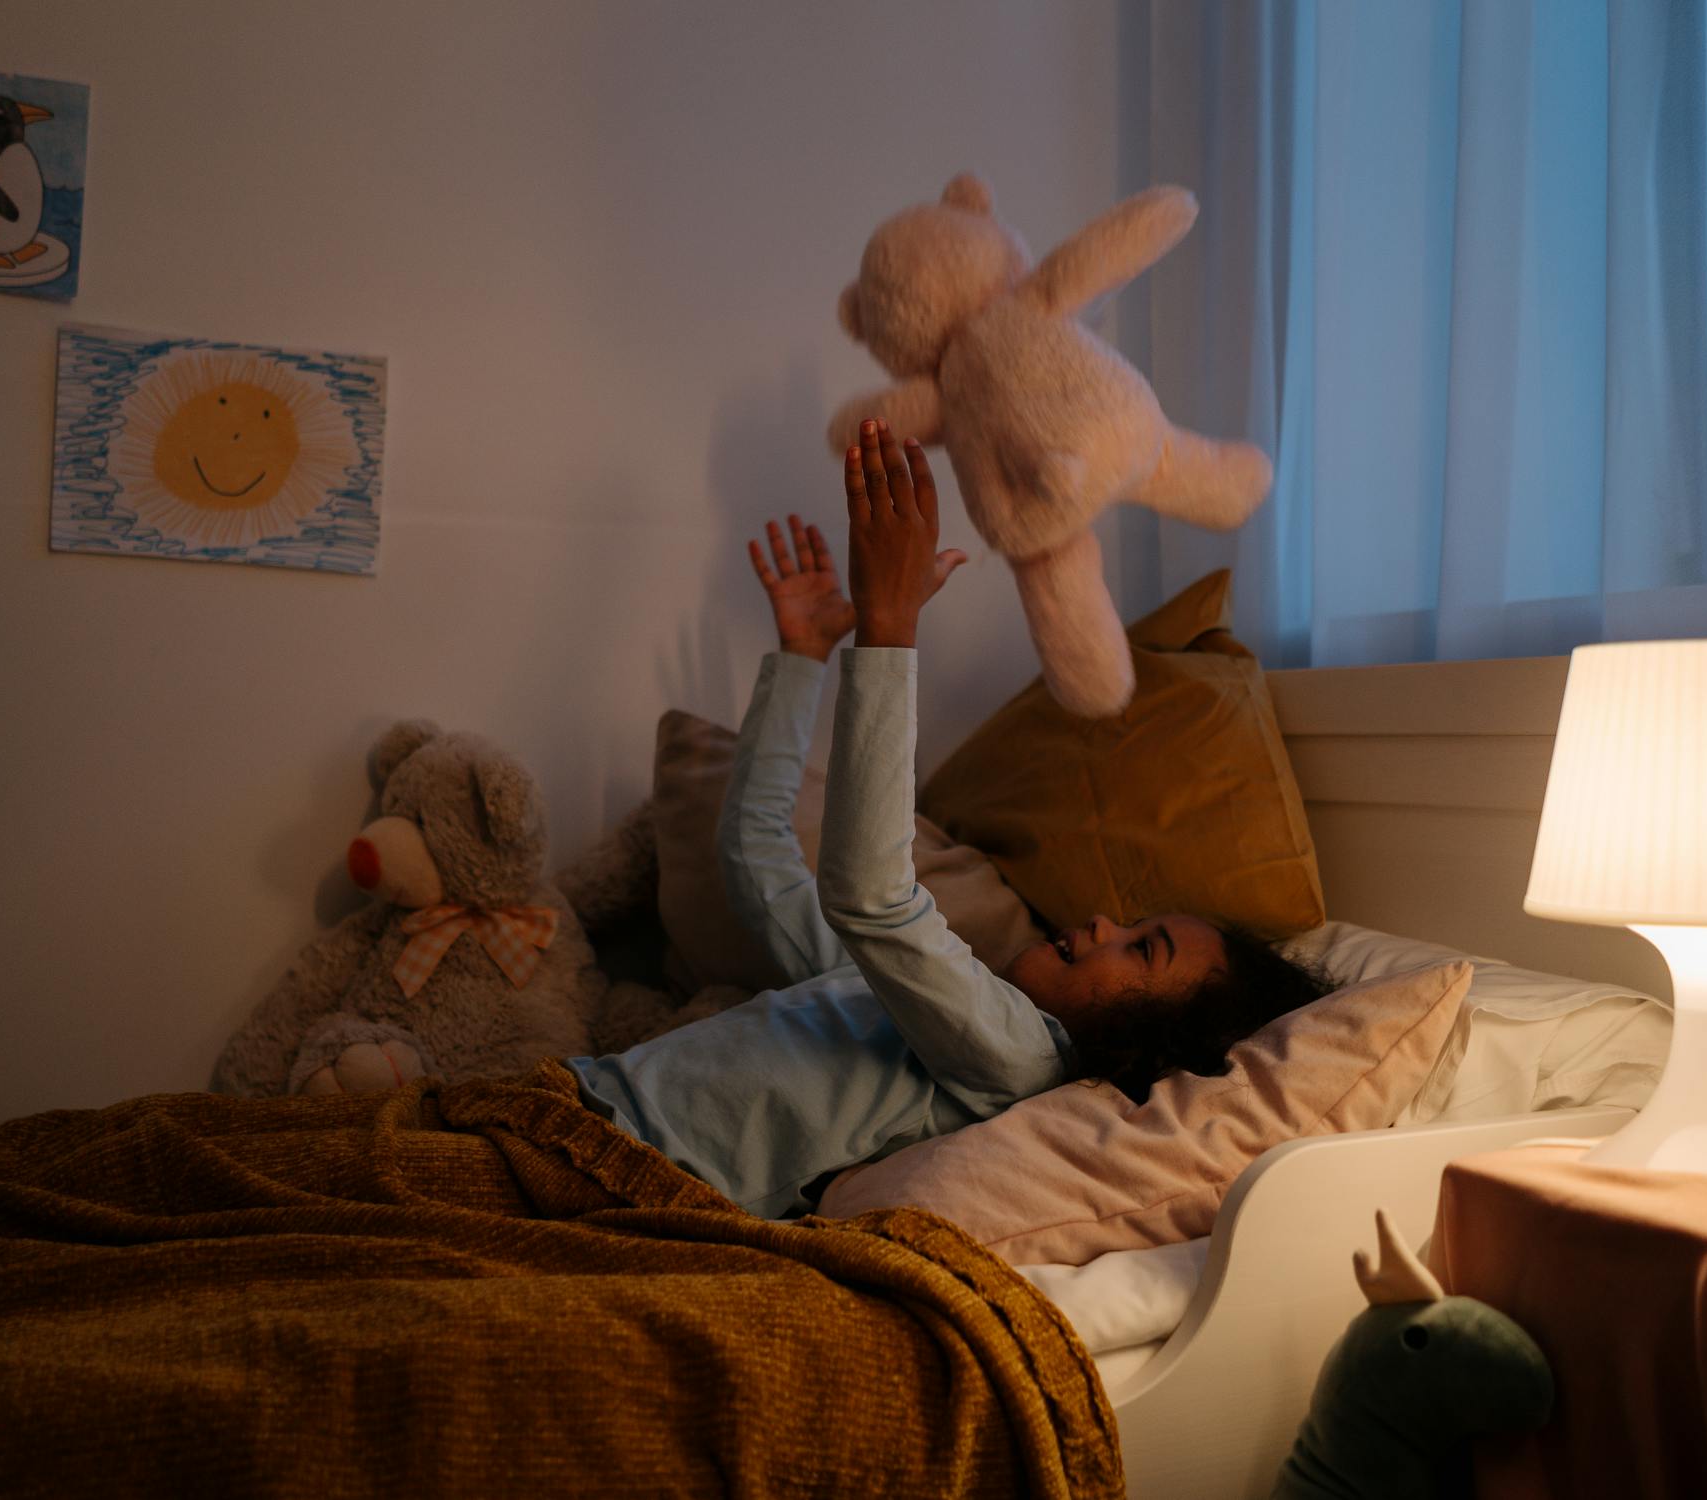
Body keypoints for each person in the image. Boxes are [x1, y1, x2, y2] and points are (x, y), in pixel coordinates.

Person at [567, 421, 1328, 1218]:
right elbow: (754, 854)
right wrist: (802, 655)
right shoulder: (895, 997)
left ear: (1151, 1045)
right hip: (577, 1099)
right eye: (1134, 923)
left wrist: (889, 624)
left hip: (609, 1171)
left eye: (1140, 950)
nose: (1103, 922)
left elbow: (874, 893)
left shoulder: (1020, 1057)